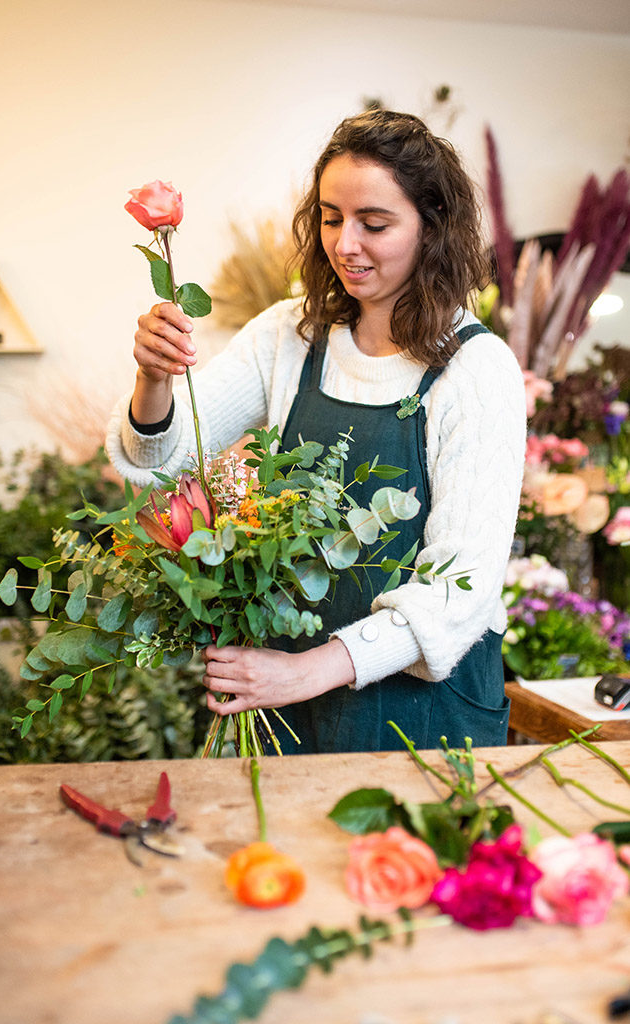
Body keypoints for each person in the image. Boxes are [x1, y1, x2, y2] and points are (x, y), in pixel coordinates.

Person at [105, 109, 526, 753]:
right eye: (331, 218)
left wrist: (305, 672)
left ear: (432, 228)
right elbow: (160, 460)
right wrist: (154, 378)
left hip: (421, 715)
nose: (345, 244)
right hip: (283, 705)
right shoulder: (290, 336)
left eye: (374, 224)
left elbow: (457, 591)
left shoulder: (476, 369)